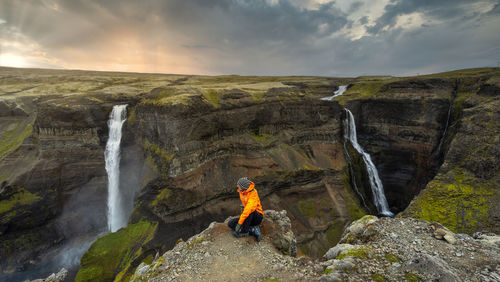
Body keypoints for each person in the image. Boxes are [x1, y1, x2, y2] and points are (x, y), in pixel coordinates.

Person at [228, 177, 264, 242]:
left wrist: (239, 224)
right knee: (230, 223)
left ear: (243, 187)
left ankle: (245, 232)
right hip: (248, 216)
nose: (237, 186)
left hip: (257, 217)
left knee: (249, 211)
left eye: (238, 185)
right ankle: (253, 230)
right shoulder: (241, 191)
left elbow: (248, 209)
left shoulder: (253, 194)